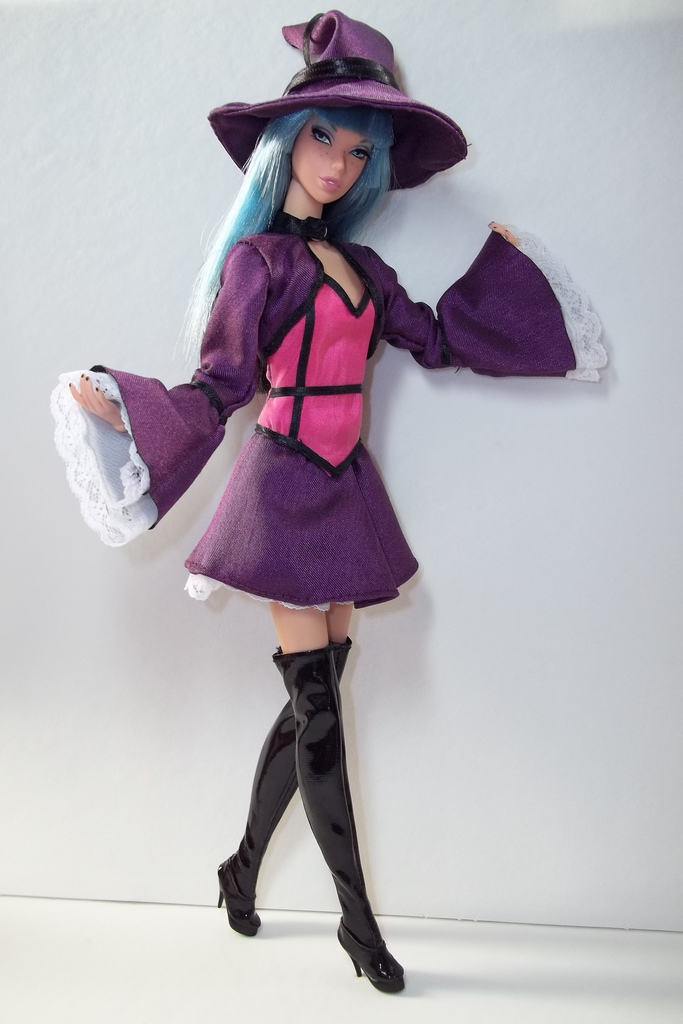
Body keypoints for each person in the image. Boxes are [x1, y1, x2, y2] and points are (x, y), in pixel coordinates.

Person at [51, 11, 605, 994]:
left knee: (312, 706)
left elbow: (436, 337)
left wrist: (510, 276)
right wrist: (119, 405)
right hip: (280, 487)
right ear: (285, 141)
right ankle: (358, 925)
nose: (339, 164)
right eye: (323, 138)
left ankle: (239, 869)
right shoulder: (257, 263)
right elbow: (222, 384)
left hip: (344, 487)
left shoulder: (367, 269)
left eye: (358, 150)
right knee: (319, 714)